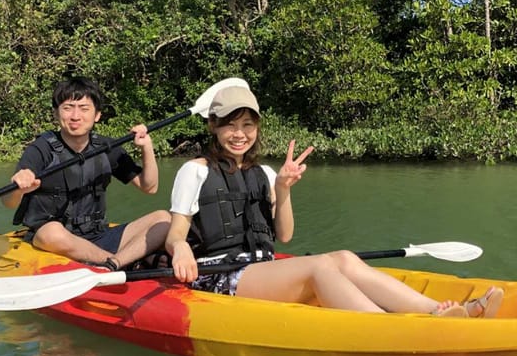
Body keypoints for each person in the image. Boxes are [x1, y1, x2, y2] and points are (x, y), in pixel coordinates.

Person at [164, 85, 504, 318]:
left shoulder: (265, 173)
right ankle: (389, 327)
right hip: (219, 276)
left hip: (259, 267)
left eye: (247, 125)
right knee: (320, 266)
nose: (240, 134)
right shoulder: (195, 171)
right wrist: (179, 248)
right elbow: (176, 234)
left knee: (342, 257)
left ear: (257, 127)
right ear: (213, 127)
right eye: (230, 126)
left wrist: (283, 190)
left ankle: (436, 310)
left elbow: (283, 236)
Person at [2, 76, 171, 270]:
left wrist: (146, 148)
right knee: (50, 233)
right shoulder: (41, 149)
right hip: (58, 241)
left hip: (98, 235)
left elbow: (149, 187)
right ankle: (117, 262)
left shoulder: (106, 147)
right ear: (56, 113)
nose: (75, 116)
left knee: (164, 218)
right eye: (68, 108)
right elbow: (8, 202)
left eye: (84, 108)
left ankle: (114, 263)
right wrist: (19, 187)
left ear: (97, 115)